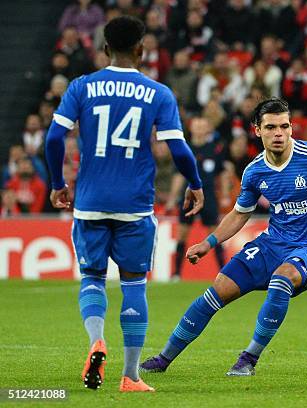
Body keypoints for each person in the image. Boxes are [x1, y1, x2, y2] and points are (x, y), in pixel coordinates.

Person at [139, 98, 307, 376]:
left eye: (284, 126)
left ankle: (248, 359)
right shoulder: (254, 171)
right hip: (272, 244)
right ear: (257, 130)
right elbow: (240, 213)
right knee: (218, 289)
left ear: (291, 128)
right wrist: (209, 242)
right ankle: (164, 358)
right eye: (271, 127)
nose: (279, 133)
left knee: (282, 278)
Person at [44, 16, 204, 392]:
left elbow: (53, 138)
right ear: (141, 50)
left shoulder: (81, 86)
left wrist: (57, 183)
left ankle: (97, 342)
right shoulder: (158, 92)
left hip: (90, 202)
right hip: (135, 205)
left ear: (104, 49)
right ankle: (131, 376)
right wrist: (195, 183)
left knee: (92, 279)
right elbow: (177, 148)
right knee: (134, 285)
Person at [169, 117, 226, 280]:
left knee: (215, 234)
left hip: (209, 196)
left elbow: (221, 173)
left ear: (208, 128)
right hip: (188, 196)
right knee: (182, 234)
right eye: (197, 125)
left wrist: (225, 195)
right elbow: (178, 176)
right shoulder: (184, 149)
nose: (200, 129)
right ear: (191, 128)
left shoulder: (215, 149)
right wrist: (173, 197)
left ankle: (223, 271)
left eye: (203, 126)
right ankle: (176, 274)